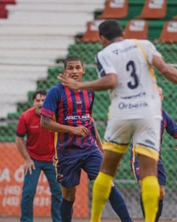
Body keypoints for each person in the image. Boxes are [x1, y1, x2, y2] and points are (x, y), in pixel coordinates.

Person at [57, 20, 177, 222]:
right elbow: (166, 69)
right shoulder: (143, 45)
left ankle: (95, 219)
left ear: (102, 38)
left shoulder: (104, 54)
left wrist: (81, 85)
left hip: (122, 114)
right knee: (149, 174)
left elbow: (111, 81)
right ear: (123, 32)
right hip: (149, 114)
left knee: (106, 171)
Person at [40, 56, 132, 222]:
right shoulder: (56, 92)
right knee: (69, 196)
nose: (74, 71)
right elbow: (44, 122)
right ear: (64, 71)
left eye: (77, 68)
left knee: (107, 183)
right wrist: (71, 129)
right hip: (67, 153)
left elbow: (90, 120)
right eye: (70, 68)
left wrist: (102, 150)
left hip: (90, 149)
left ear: (83, 70)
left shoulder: (89, 92)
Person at [130, 87, 177, 221]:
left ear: (162, 98)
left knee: (160, 193)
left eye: (157, 95)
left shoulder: (164, 116)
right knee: (147, 188)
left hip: (156, 159)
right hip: (140, 157)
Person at [15, 90, 62, 222]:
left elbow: (64, 134)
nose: (41, 103)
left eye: (44, 100)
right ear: (33, 102)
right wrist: (27, 159)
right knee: (28, 193)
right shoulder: (25, 117)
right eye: (38, 101)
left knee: (58, 193)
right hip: (33, 160)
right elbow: (18, 139)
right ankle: (26, 220)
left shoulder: (55, 115)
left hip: (53, 160)